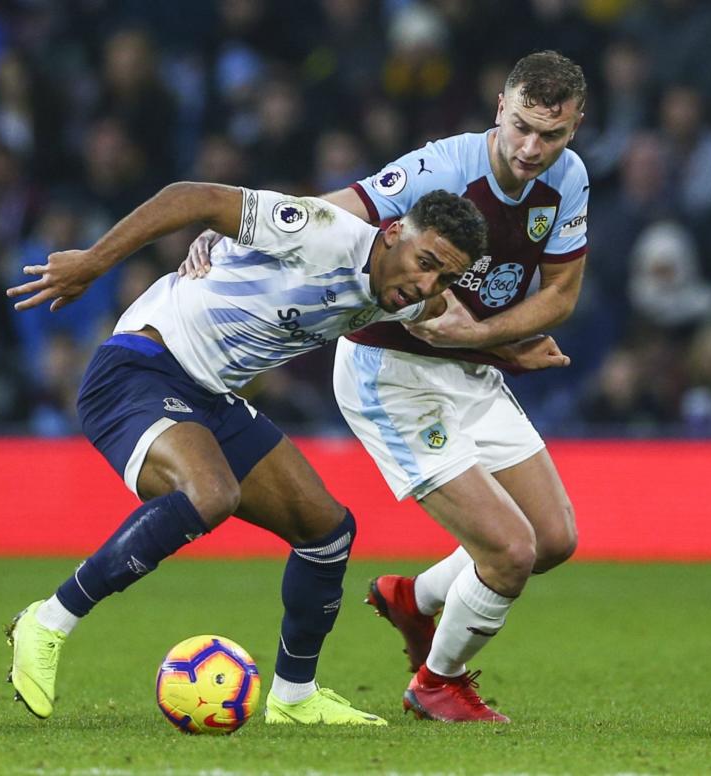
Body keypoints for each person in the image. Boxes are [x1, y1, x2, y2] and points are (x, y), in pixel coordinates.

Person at [3, 179, 541, 725]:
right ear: (394, 232)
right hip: (141, 367)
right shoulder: (321, 232)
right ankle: (48, 621)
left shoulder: (410, 296)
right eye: (425, 260)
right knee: (211, 493)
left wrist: (512, 348)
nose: (425, 282)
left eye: (444, 275)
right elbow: (193, 196)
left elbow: (445, 320)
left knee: (327, 533)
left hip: (213, 398)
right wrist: (95, 263)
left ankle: (294, 697)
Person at [182, 50, 590, 723]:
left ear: (574, 128)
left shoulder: (568, 181)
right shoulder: (443, 167)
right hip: (389, 372)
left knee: (552, 540)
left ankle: (414, 599)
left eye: (552, 134)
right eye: (522, 126)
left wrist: (476, 339)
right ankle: (438, 682)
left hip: (469, 368)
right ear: (499, 108)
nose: (532, 147)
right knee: (511, 552)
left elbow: (562, 294)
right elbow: (332, 213)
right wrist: (233, 233)